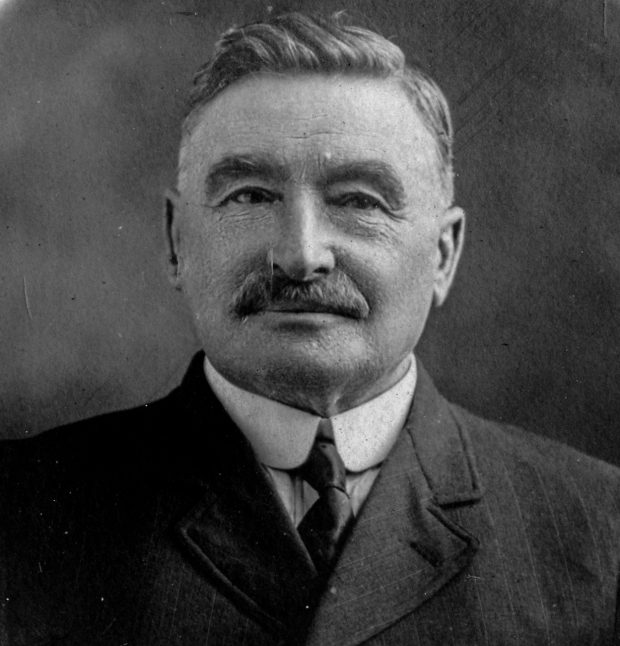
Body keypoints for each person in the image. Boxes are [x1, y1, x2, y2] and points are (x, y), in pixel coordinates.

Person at [1, 11, 618, 646]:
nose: (300, 254)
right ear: (176, 242)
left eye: (358, 201)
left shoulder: (600, 529)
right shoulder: (20, 513)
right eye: (250, 195)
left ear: (443, 254)